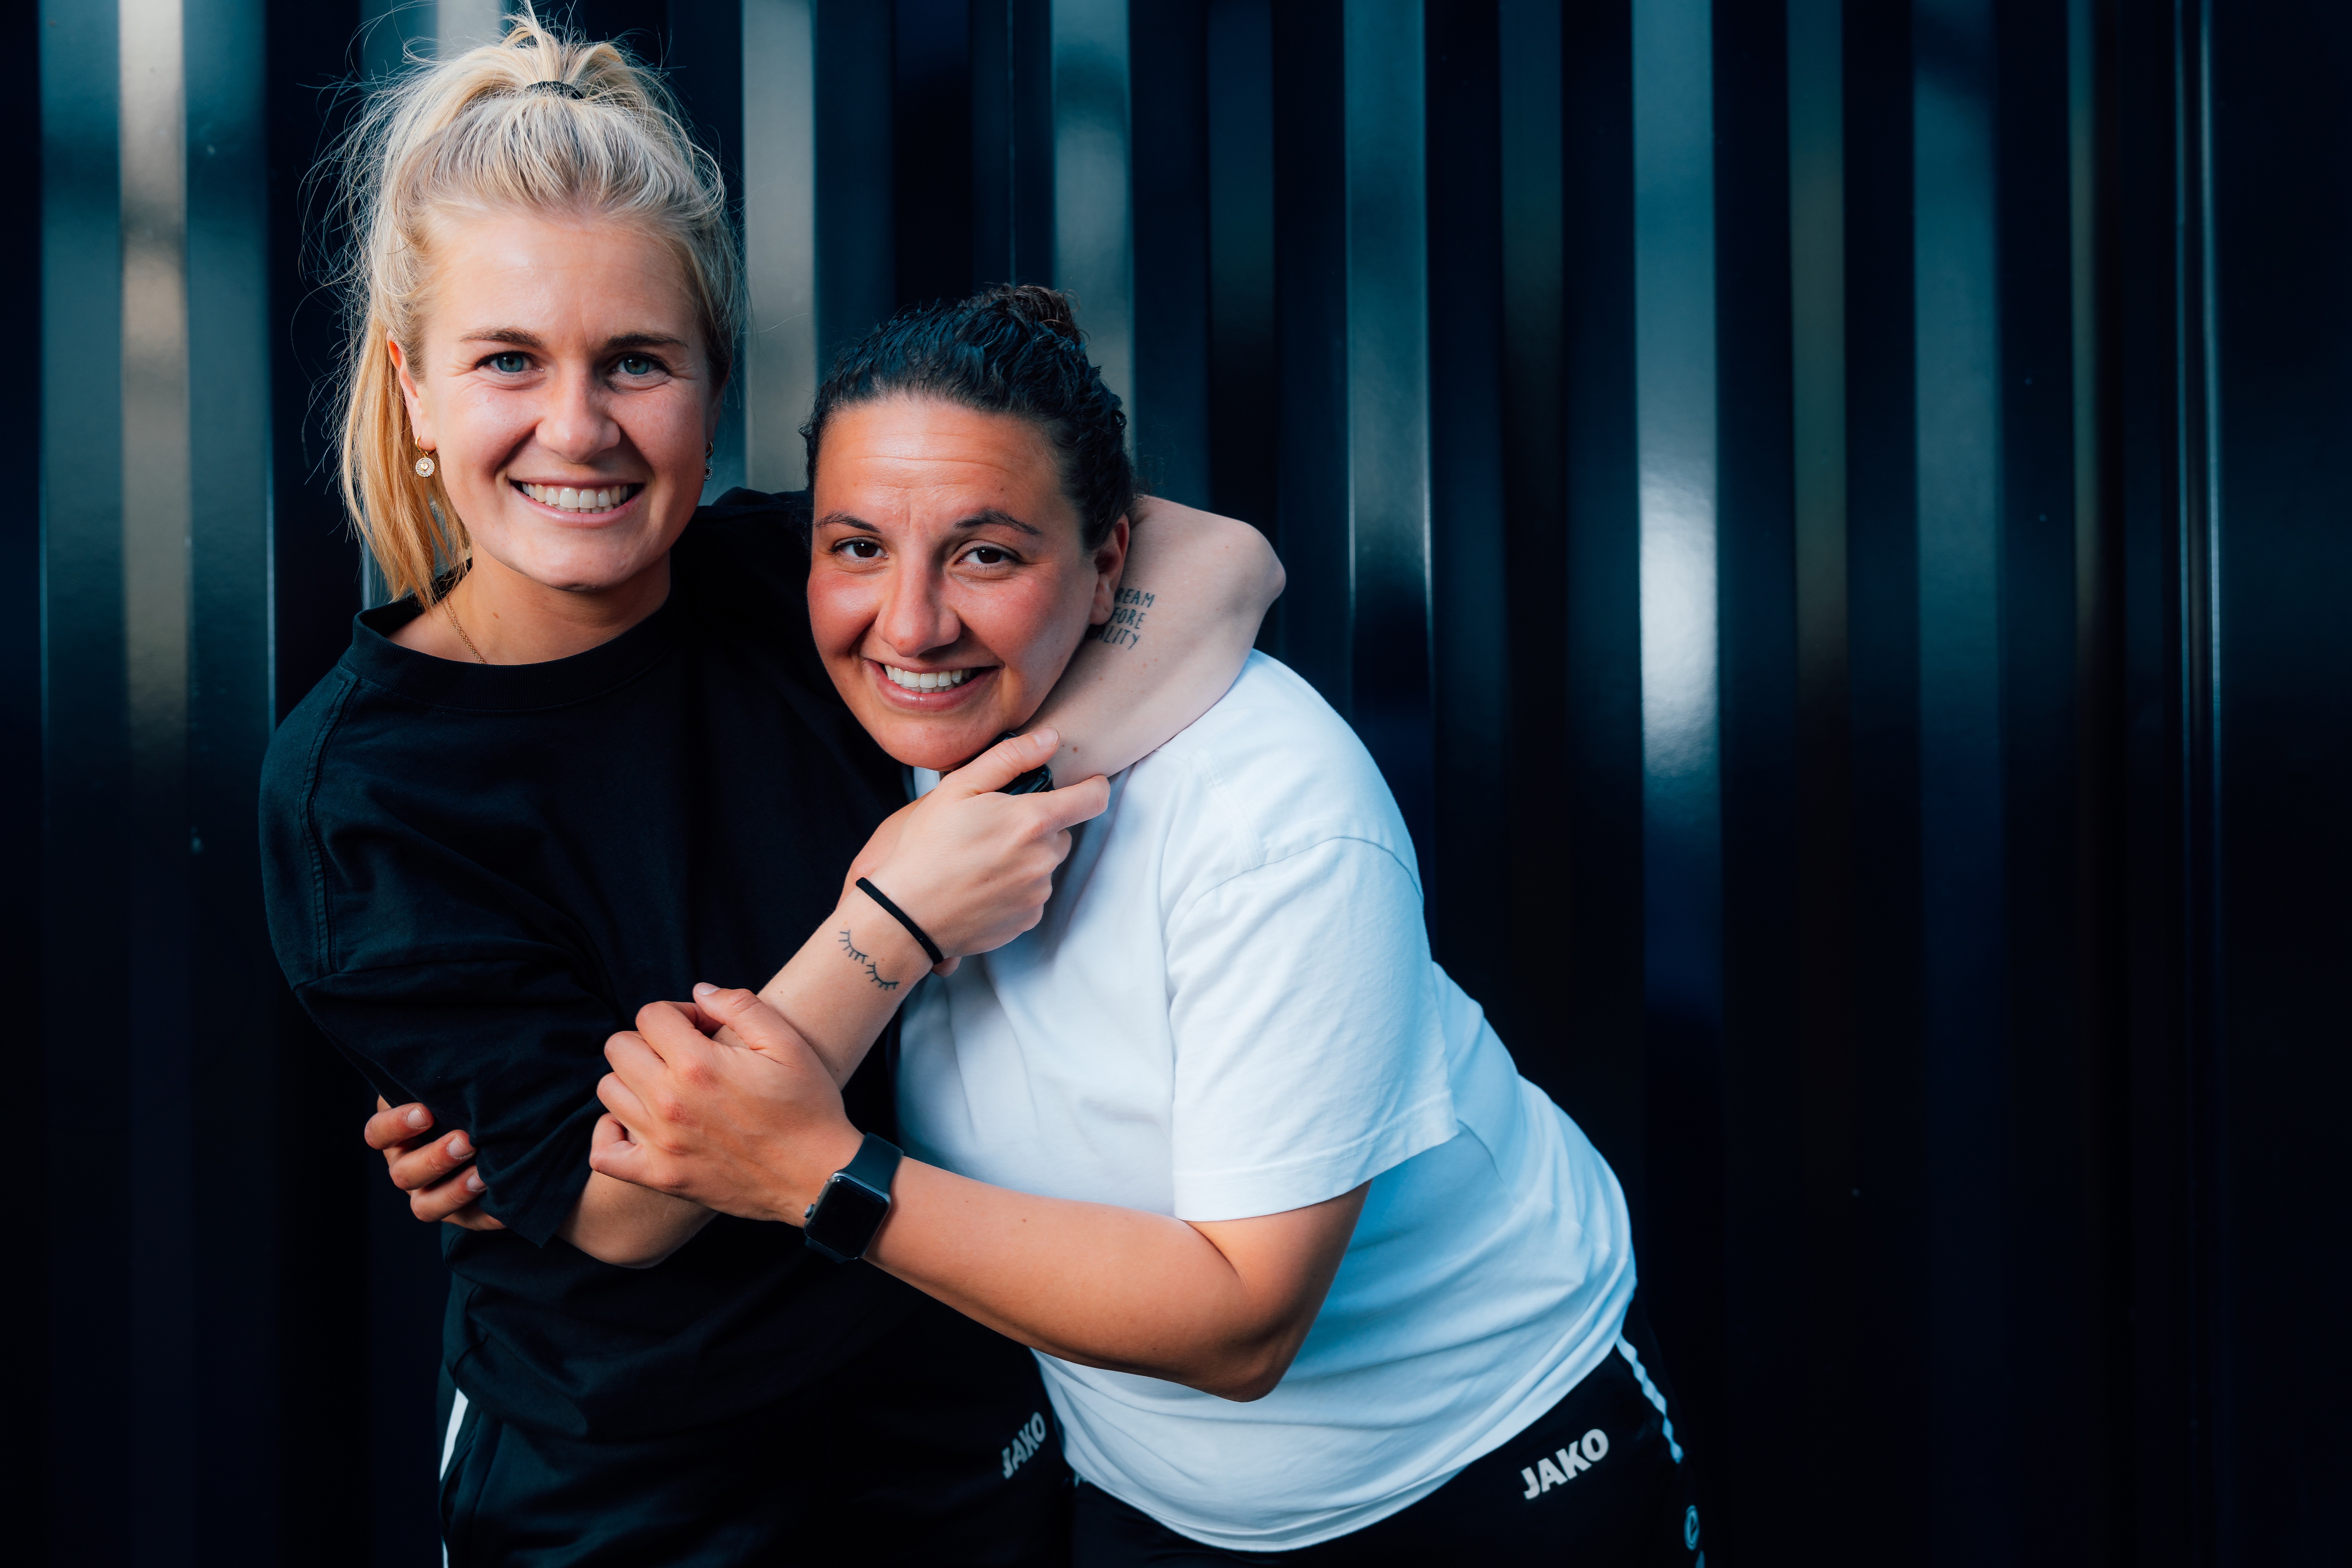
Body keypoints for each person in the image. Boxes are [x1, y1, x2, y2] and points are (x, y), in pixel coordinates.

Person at [262, 15, 1281, 1565]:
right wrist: (900, 915)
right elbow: (624, 1208)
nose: (578, 426)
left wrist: (1002, 797)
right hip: (644, 1493)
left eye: (637, 363)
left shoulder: (789, 577)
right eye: (508, 363)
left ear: (715, 378)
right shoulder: (367, 785)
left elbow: (1222, 559)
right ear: (410, 388)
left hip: (960, 1417)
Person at [576, 286, 1707, 1565]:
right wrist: (481, 1102)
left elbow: (1244, 1323)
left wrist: (817, 1177)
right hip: (1144, 1497)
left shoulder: (1271, 803)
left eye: (989, 553)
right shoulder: (853, 729)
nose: (912, 623)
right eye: (856, 548)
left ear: (1112, 558)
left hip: (1483, 1465)